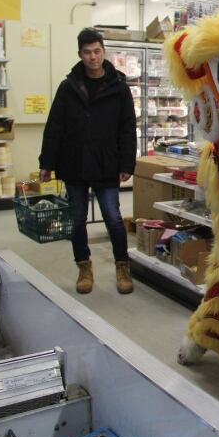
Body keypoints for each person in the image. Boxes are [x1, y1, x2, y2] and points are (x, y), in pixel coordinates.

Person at [38, 28, 136, 294]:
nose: (92, 57)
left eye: (97, 51)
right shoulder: (68, 87)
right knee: (77, 219)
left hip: (107, 163)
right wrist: (46, 163)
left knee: (114, 218)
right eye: (87, 52)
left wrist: (127, 163)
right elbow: (54, 126)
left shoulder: (119, 88)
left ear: (103, 52)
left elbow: (128, 127)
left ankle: (122, 266)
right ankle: (84, 267)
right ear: (80, 54)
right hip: (75, 163)